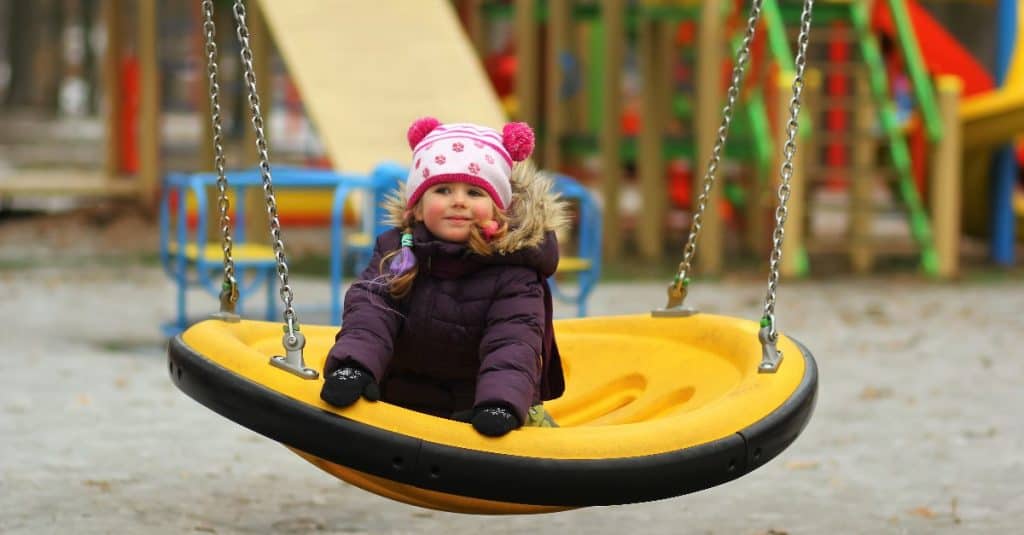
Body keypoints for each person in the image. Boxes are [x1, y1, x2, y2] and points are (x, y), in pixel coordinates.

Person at [320, 117, 567, 437]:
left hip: (482, 404)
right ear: (417, 209)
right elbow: (371, 313)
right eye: (443, 189)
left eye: (475, 192)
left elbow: (513, 341)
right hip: (405, 400)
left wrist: (499, 403)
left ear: (498, 210)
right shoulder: (398, 252)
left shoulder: (514, 273)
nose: (459, 201)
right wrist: (355, 366)